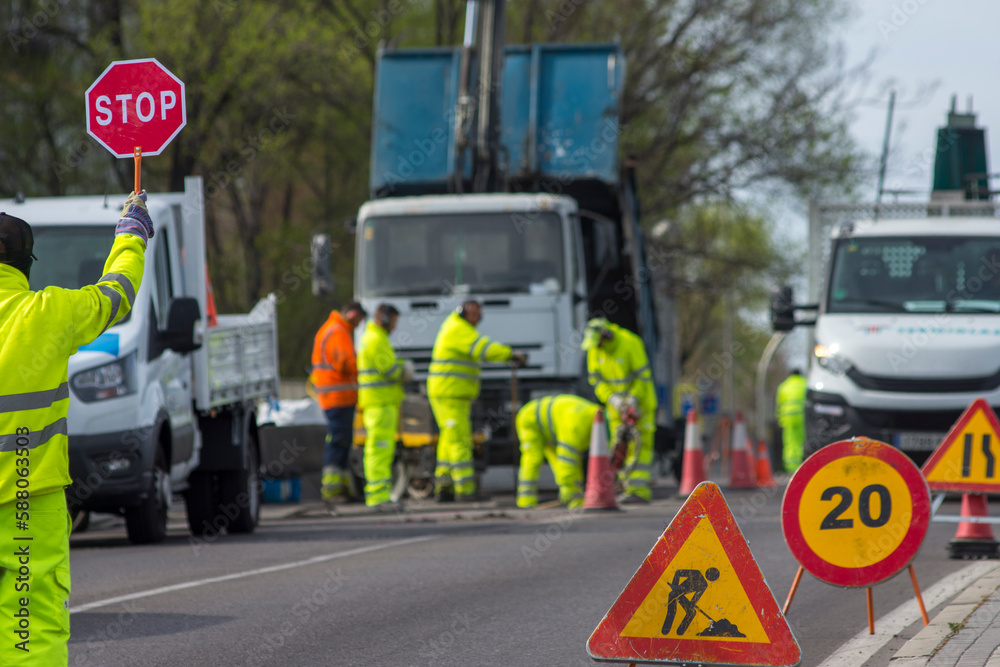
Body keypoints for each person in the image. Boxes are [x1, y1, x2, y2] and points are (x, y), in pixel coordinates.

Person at [0, 193, 151, 665]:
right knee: (29, 625)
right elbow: (116, 293)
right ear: (25, 266)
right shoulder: (48, 313)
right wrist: (130, 235)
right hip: (27, 495)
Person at [427, 300, 526, 501]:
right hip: (450, 393)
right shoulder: (458, 329)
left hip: (452, 393)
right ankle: (465, 491)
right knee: (460, 440)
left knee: (448, 440)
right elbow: (484, 349)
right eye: (474, 314)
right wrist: (510, 354)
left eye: (479, 314)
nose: (478, 318)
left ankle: (444, 488)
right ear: (463, 313)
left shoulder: (458, 327)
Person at [581, 317, 657, 503]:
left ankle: (639, 491)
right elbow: (596, 381)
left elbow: (643, 376)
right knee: (619, 448)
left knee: (640, 447)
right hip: (616, 409)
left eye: (599, 342)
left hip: (641, 405)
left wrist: (633, 399)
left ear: (606, 335)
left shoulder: (630, 342)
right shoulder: (594, 350)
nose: (597, 347)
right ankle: (623, 487)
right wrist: (612, 399)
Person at [357, 304, 412, 510]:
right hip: (380, 403)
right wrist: (404, 369)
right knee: (379, 450)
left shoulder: (374, 337)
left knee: (380, 449)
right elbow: (390, 370)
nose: (395, 327)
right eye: (394, 322)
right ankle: (378, 497)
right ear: (385, 319)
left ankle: (379, 494)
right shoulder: (376, 339)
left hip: (380, 403)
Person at [311, 300, 367, 502]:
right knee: (338, 442)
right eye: (358, 321)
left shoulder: (334, 329)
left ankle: (342, 489)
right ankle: (332, 490)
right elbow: (345, 363)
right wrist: (365, 365)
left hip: (336, 396)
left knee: (342, 441)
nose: (358, 326)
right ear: (353, 315)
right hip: (338, 397)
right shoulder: (338, 331)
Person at [514, 394, 600, 509]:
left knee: (559, 461)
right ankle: (526, 500)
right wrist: (571, 490)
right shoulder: (579, 424)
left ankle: (571, 496)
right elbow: (568, 461)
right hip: (529, 419)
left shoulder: (590, 417)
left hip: (547, 424)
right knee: (533, 457)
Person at [776, 368, 807, 472]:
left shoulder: (784, 386)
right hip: (802, 416)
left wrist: (780, 420)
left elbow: (779, 405)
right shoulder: (805, 383)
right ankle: (802, 464)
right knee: (802, 440)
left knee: (790, 441)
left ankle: (791, 466)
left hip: (788, 417)